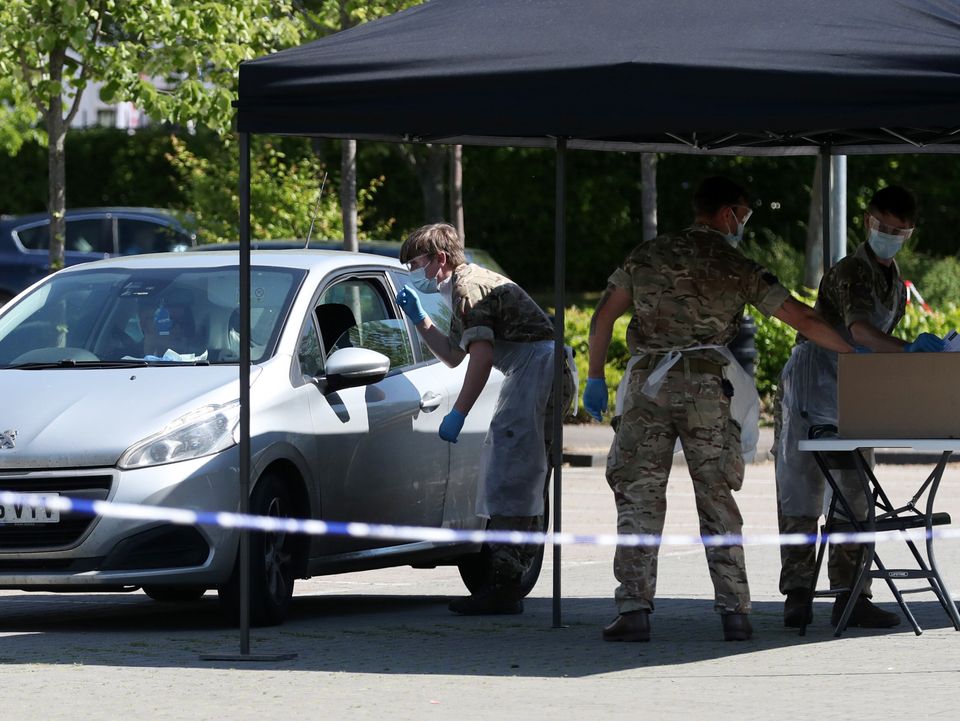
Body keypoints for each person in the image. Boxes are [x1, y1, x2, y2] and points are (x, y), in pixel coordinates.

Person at [584, 176, 856, 643]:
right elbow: (803, 318)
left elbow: (603, 316)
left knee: (638, 497)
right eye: (744, 215)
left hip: (648, 389)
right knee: (717, 499)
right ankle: (734, 612)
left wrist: (593, 378)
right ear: (729, 214)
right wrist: (855, 354)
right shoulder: (737, 264)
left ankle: (633, 609)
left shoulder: (646, 255)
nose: (744, 224)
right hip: (708, 389)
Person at [775, 185, 945, 630]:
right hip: (815, 382)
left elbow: (872, 347)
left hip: (853, 386)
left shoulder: (895, 282)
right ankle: (797, 594)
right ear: (868, 221)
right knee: (802, 488)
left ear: (910, 232)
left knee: (854, 493)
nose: (888, 235)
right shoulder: (851, 270)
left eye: (898, 230)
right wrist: (912, 352)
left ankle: (851, 594)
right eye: (882, 227)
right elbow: (862, 333)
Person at [395, 222, 574, 616]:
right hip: (536, 369)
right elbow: (455, 355)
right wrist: (421, 320)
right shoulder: (459, 287)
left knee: (512, 476)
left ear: (439, 259)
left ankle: (505, 585)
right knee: (518, 475)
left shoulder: (467, 287)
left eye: (415, 264)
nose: (411, 272)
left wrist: (459, 412)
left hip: (537, 371)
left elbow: (481, 356)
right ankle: (508, 580)